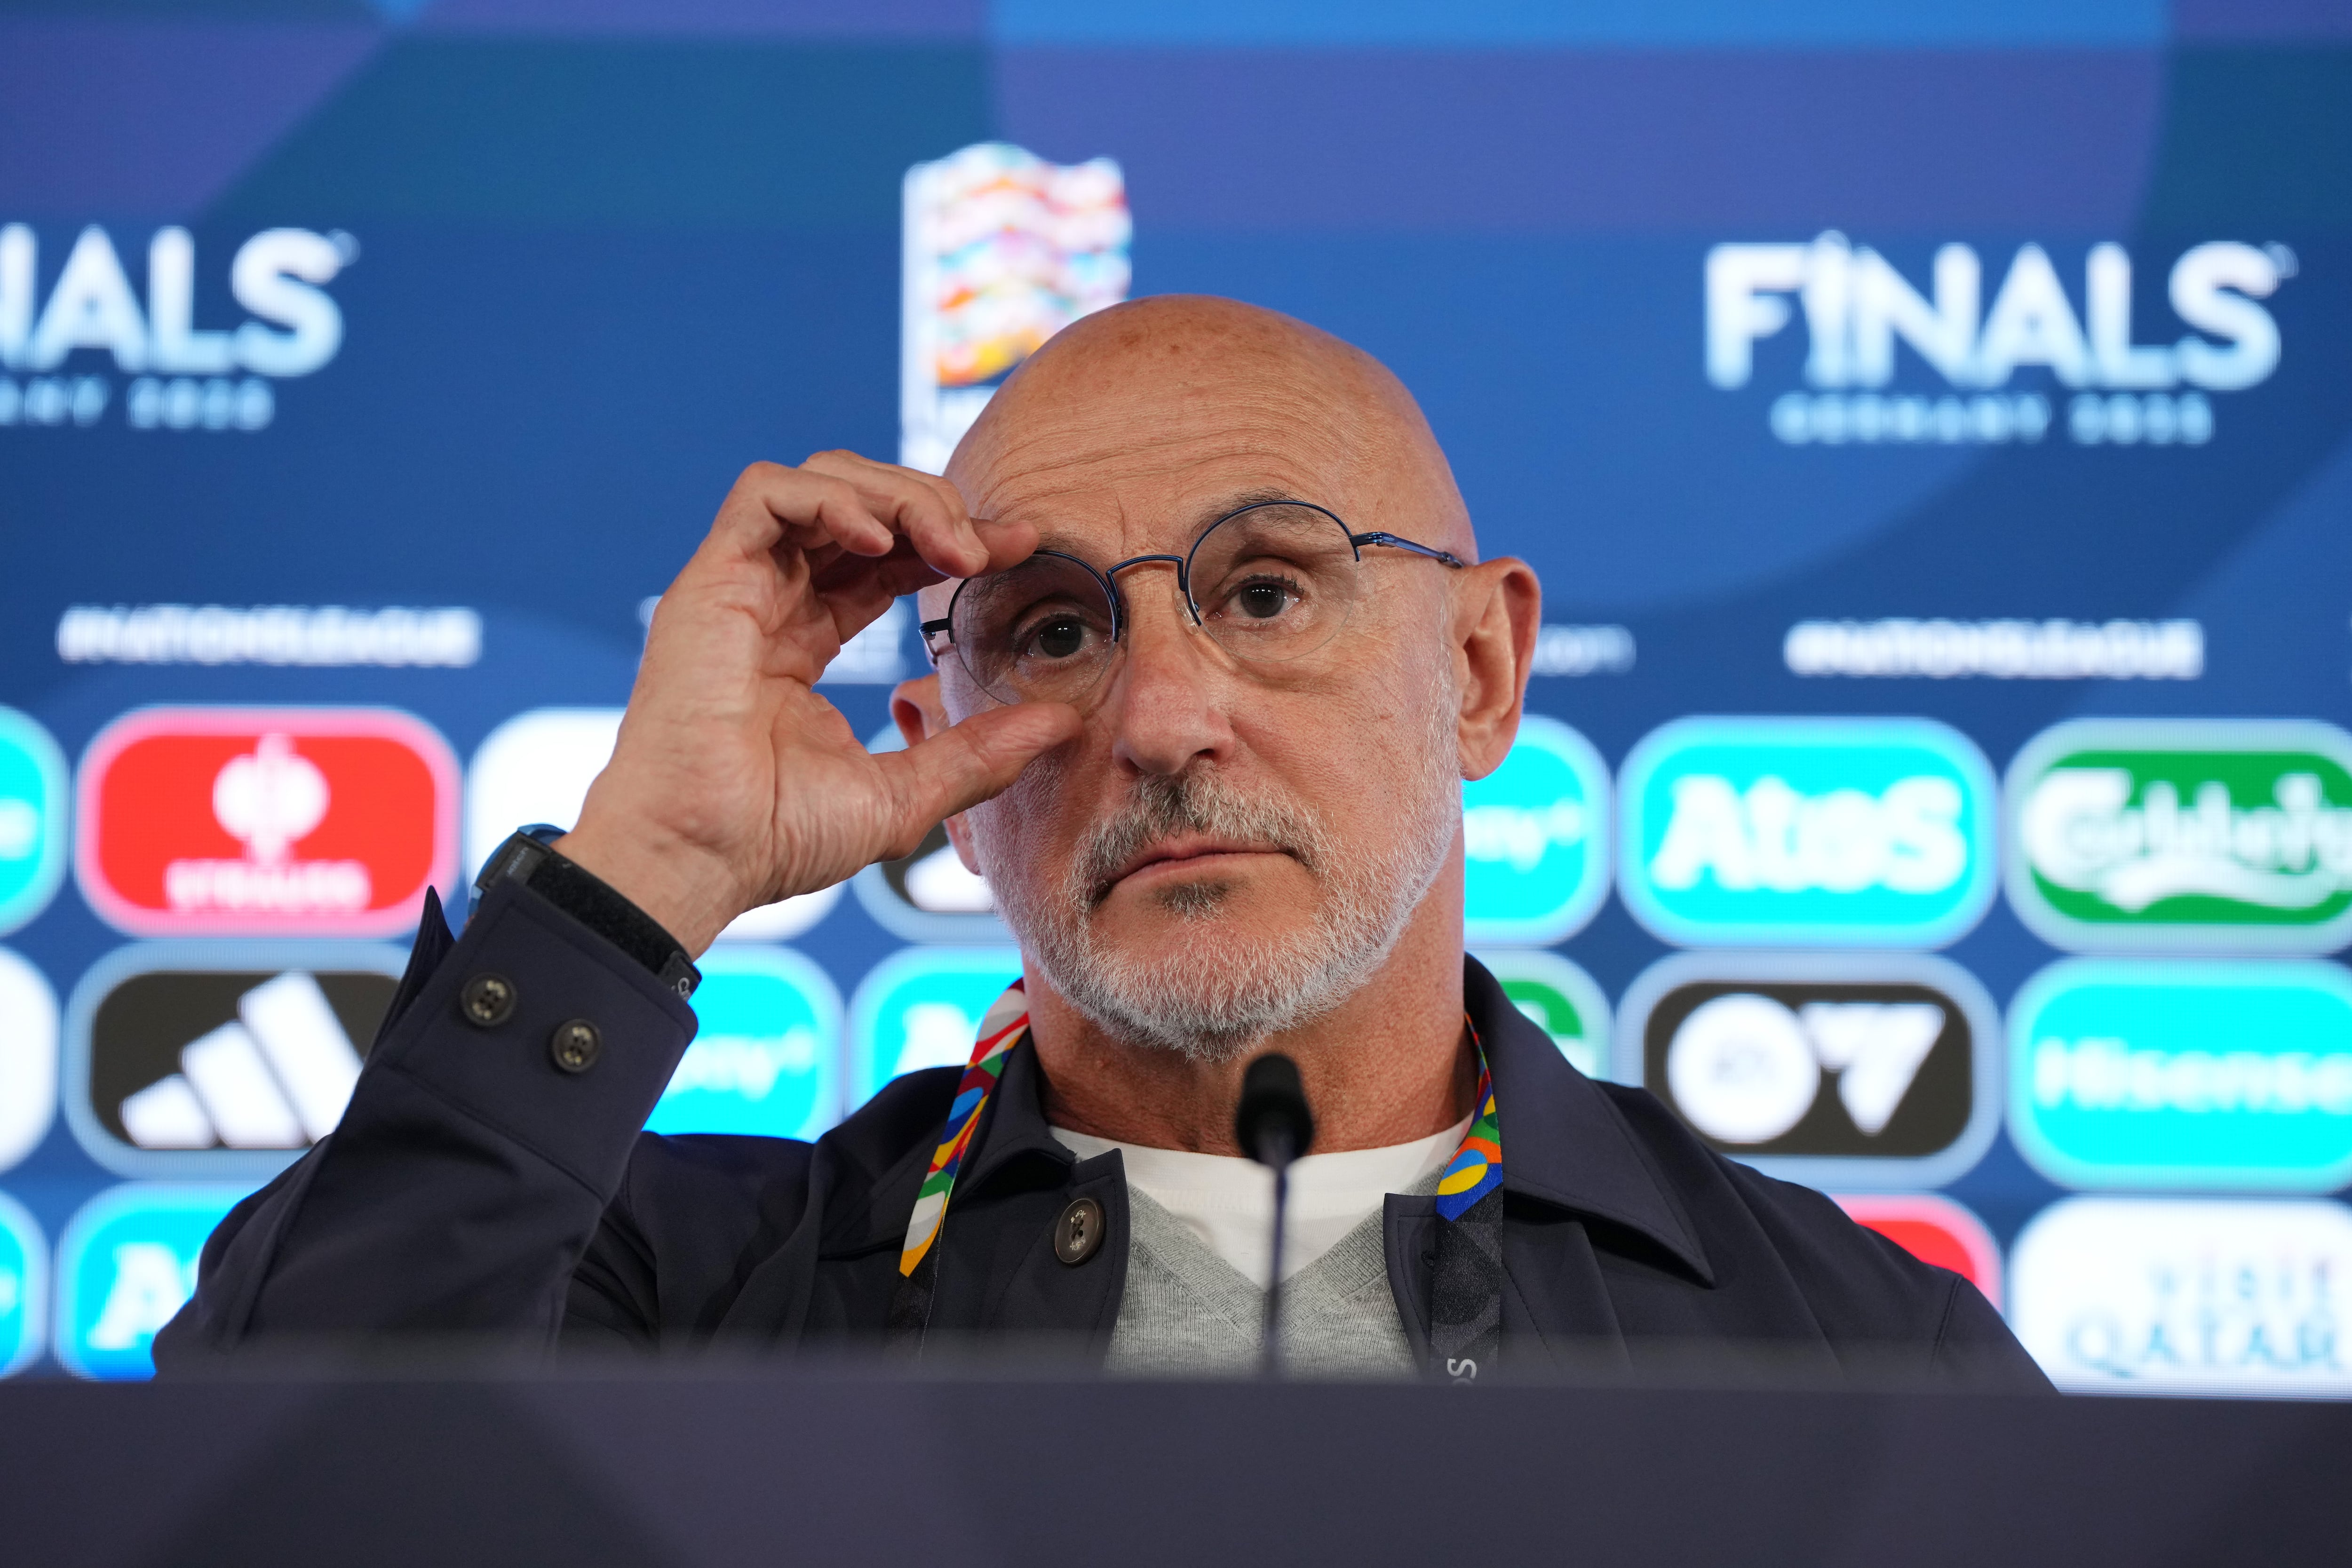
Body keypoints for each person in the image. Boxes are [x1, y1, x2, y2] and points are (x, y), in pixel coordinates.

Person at [158, 295, 2046, 1386]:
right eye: (1053, 631)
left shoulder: (1862, 1360)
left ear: (1476, 671)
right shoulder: (668, 1289)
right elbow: (256, 1499)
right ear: (944, 761)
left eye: (1268, 591)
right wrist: (641, 868)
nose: (1158, 718)